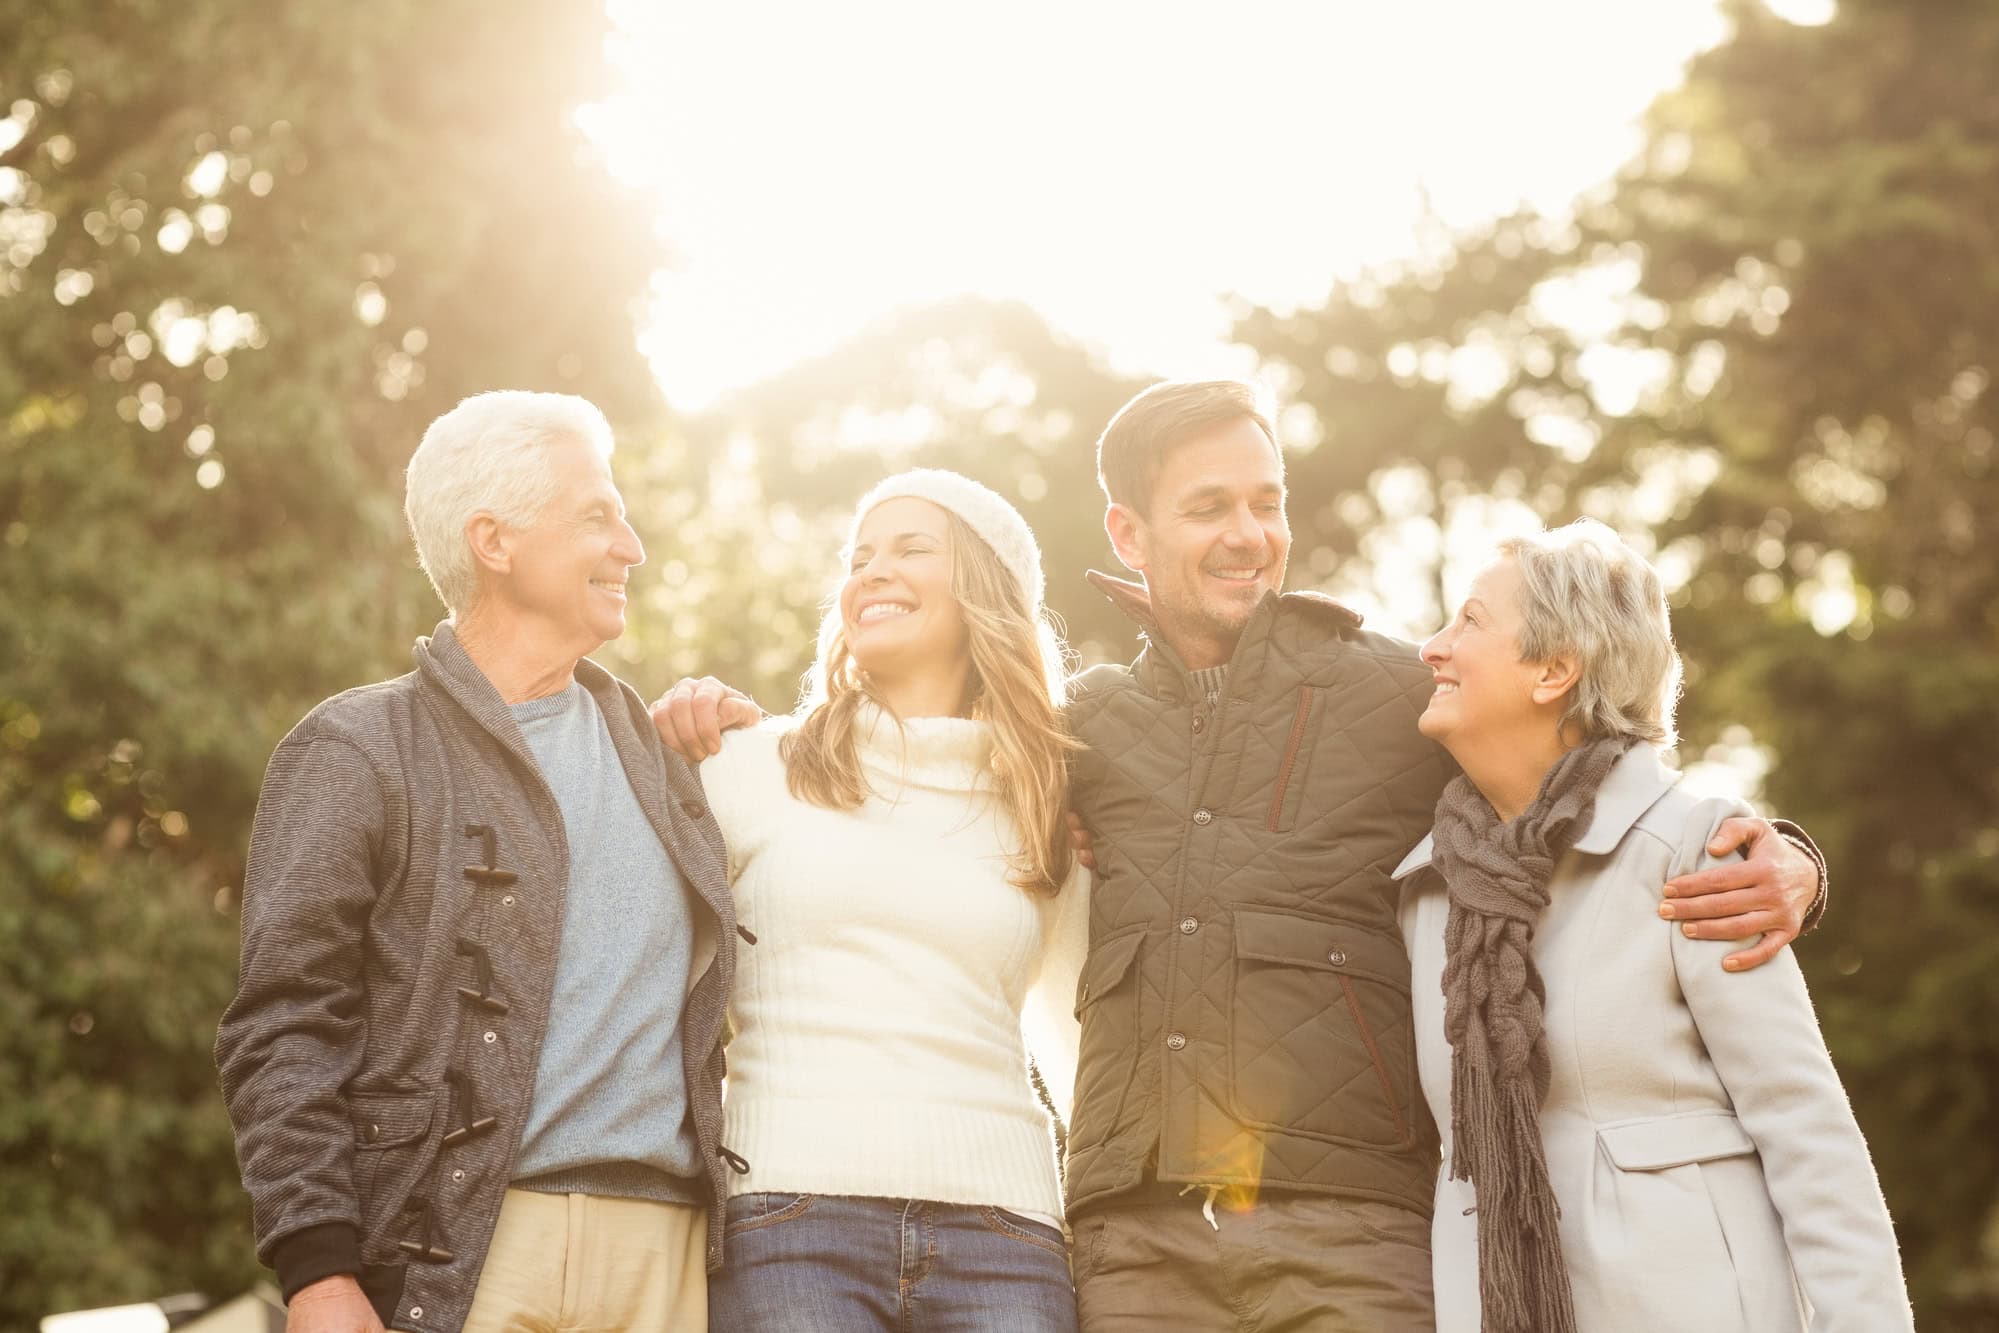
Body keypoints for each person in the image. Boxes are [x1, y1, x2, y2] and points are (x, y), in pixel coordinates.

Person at [655, 379, 1828, 1331]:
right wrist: (716, 721)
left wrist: (1782, 851)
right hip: (1131, 1238)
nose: (1249, 535)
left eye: (1265, 502)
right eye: (1209, 507)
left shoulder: (1389, 693)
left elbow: (1585, 774)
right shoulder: (1077, 731)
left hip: (1353, 1232)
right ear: (1130, 531)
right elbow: (907, 786)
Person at [215, 391, 736, 1333]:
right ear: (493, 542)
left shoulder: (670, 763)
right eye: (596, 515)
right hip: (458, 1254)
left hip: (668, 1258)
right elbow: (284, 1023)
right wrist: (317, 1271)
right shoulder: (357, 748)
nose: (633, 547)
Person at [1393, 520, 1910, 1332]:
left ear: (1555, 668)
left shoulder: (1692, 849)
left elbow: (1806, 1134)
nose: (1430, 646)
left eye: (1469, 621)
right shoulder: (1428, 893)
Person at [693, 470, 1090, 1332]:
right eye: (860, 555)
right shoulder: (746, 764)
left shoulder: (1046, 804)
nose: (873, 570)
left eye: (911, 548)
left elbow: (1081, 1045)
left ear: (984, 590)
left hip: (1006, 1236)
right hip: (788, 1220)